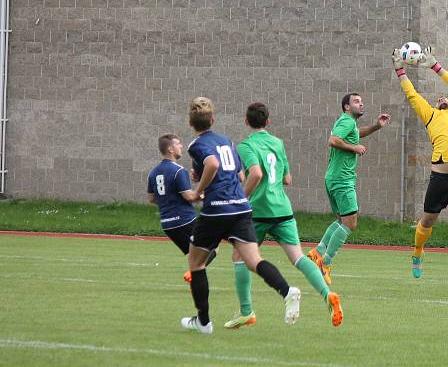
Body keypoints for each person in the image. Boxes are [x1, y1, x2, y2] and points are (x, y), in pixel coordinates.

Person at [180, 97, 301, 334]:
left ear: (190, 122)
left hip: (217, 210)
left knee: (196, 263)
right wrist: (204, 177)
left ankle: (203, 322)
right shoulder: (226, 141)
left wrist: (198, 191)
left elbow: (213, 165)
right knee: (254, 261)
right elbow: (239, 175)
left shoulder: (195, 144)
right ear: (213, 120)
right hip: (241, 208)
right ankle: (287, 291)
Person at [224, 102, 343, 329]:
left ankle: (246, 311)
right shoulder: (277, 143)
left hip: (258, 211)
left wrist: (241, 199)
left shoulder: (246, 146)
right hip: (283, 209)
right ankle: (327, 295)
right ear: (268, 121)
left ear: (246, 121)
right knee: (298, 258)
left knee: (240, 257)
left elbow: (255, 174)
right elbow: (287, 179)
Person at [390, 46, 448, 278]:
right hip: (440, 177)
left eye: (445, 98)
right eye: (438, 99)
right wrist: (400, 70)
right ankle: (418, 252)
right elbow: (412, 95)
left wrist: (434, 66)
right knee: (428, 219)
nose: (442, 98)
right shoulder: (431, 116)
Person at [307, 94, 391, 284]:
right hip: (342, 180)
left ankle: (317, 252)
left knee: (341, 220)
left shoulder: (349, 123)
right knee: (350, 223)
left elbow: (356, 133)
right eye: (356, 101)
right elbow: (333, 140)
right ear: (346, 107)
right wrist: (354, 148)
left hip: (335, 178)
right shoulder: (345, 121)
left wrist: (377, 126)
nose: (361, 103)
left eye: (361, 101)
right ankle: (325, 262)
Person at [146, 133, 216, 282]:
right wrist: (204, 195)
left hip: (168, 224)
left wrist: (169, 201)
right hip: (185, 221)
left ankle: (195, 277)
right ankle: (192, 276)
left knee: (196, 253)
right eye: (178, 144)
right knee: (212, 248)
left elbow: (152, 198)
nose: (181, 146)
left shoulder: (153, 172)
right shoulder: (179, 171)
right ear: (171, 148)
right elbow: (190, 196)